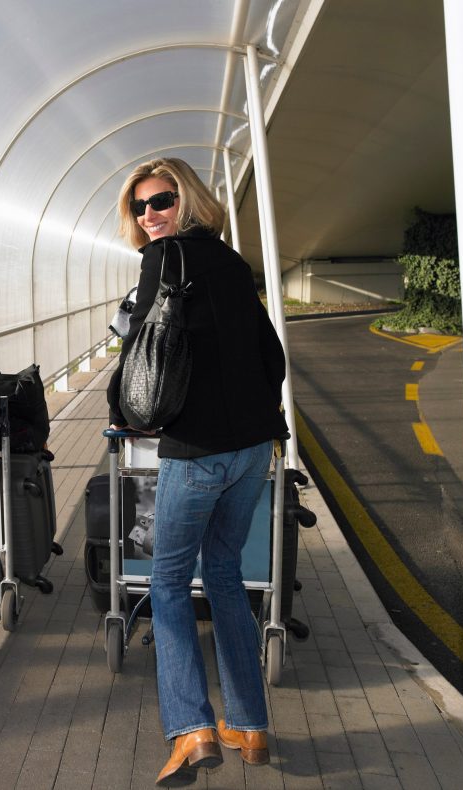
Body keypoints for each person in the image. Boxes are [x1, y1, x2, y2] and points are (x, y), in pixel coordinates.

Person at [106, 158, 288, 785]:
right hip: (251, 450)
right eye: (139, 207)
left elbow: (142, 355)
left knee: (167, 581)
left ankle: (192, 729)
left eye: (160, 201)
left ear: (187, 200)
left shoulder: (165, 260)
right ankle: (251, 726)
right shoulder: (234, 264)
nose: (149, 216)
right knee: (228, 577)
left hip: (200, 449)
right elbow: (273, 354)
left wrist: (124, 411)